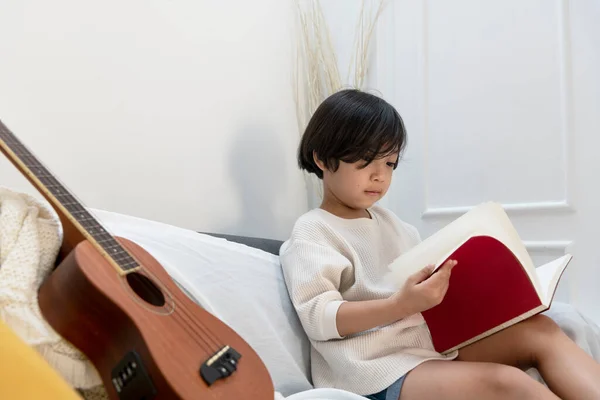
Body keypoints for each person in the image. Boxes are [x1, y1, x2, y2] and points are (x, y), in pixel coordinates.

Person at [279, 89, 600, 400]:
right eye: (365, 161)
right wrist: (400, 306)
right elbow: (319, 318)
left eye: (389, 163)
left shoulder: (395, 226)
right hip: (373, 369)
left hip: (427, 348)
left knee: (540, 331)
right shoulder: (313, 230)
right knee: (507, 384)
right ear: (321, 158)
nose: (380, 176)